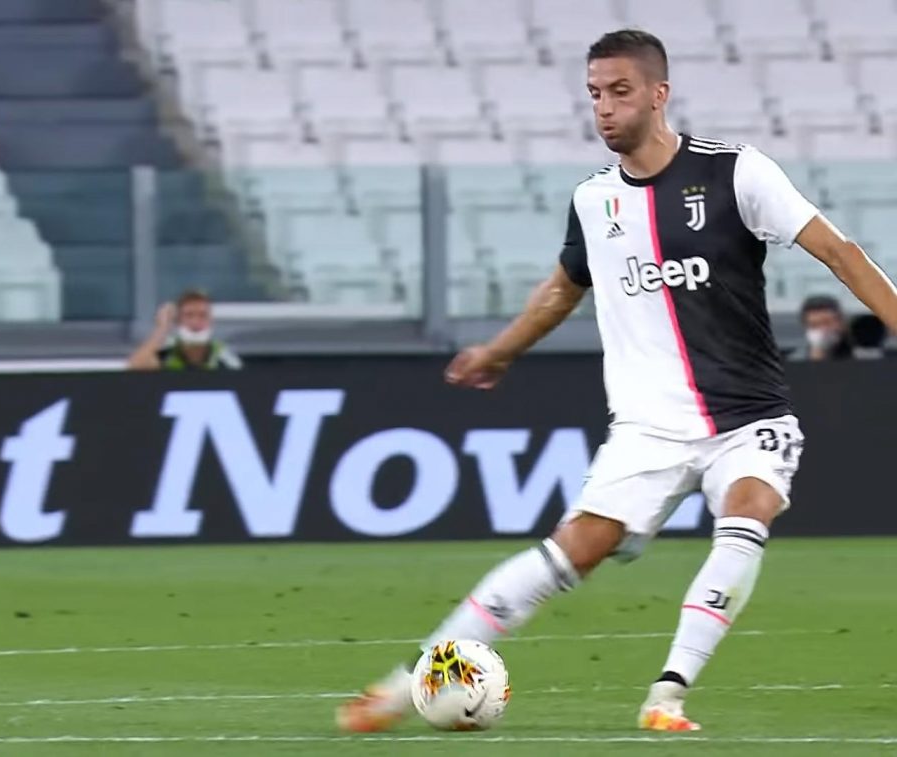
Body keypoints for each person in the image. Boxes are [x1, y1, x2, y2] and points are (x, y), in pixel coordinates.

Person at [336, 29, 897, 734]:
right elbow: (560, 289)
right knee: (573, 549)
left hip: (747, 415)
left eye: (620, 91)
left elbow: (840, 253)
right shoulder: (594, 200)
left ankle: (667, 695)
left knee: (748, 511)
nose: (604, 107)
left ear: (659, 94)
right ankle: (407, 683)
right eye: (595, 93)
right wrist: (500, 352)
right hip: (647, 426)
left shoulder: (736, 173)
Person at [127, 289, 242, 371]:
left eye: (202, 315)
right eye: (189, 315)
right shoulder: (167, 351)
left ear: (210, 321)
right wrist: (162, 329)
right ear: (178, 320)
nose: (195, 322)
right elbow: (134, 367)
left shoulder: (222, 355)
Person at [791, 295, 853, 361]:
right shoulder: (794, 361)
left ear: (841, 323)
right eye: (814, 325)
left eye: (827, 323)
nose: (823, 330)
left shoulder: (858, 356)